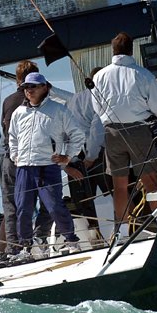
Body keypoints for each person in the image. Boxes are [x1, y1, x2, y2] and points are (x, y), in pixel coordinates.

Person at [92, 32, 157, 235]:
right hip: (138, 129)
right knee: (151, 182)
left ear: (113, 50)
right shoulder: (142, 74)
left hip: (112, 132)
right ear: (131, 50)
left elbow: (97, 108)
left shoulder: (99, 76)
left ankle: (123, 232)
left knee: (120, 185)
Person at [9, 72, 86, 257]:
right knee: (23, 209)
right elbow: (12, 137)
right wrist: (15, 156)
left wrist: (67, 157)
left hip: (47, 167)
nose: (29, 90)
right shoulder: (18, 113)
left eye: (33, 86)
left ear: (45, 87)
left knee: (54, 206)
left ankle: (72, 241)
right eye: (26, 87)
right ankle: (25, 248)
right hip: (24, 167)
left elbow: (78, 135)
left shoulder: (59, 110)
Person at [34, 67, 111, 245]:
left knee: (82, 200)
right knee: (105, 193)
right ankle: (109, 232)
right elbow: (95, 130)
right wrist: (91, 157)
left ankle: (92, 235)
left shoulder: (75, 98)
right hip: (90, 155)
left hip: (69, 156)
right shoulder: (98, 98)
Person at [0, 60, 39, 259]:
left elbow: (4, 131)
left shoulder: (7, 101)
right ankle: (33, 243)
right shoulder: (34, 100)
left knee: (10, 206)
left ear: (17, 78)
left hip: (8, 160)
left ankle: (10, 250)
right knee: (40, 201)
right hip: (30, 160)